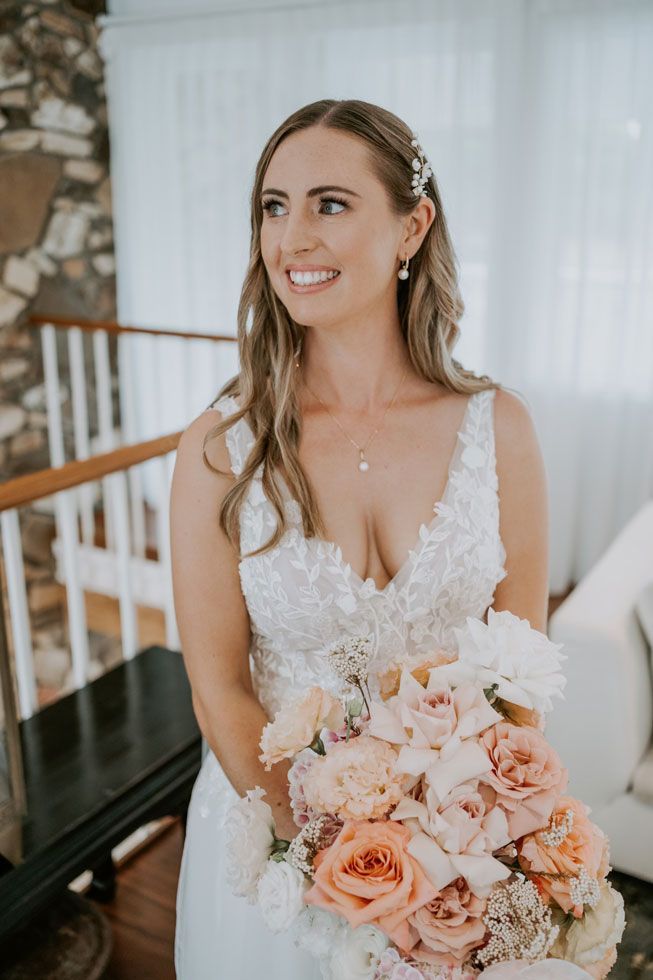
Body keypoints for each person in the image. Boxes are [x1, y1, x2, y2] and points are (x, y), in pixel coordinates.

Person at [170, 99, 613, 979]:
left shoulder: (499, 428)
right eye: (273, 206)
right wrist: (336, 867)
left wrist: (470, 838)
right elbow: (220, 692)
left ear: (412, 227)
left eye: (329, 204)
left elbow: (518, 665)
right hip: (276, 852)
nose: (292, 237)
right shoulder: (222, 447)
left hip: (460, 843)